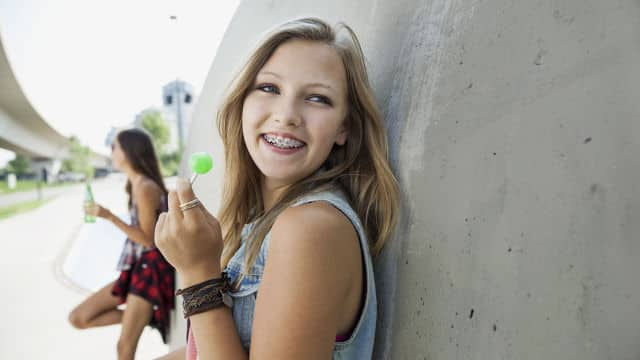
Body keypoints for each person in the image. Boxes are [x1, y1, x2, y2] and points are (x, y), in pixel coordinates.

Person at [155, 17, 399, 359]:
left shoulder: (311, 229)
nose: (286, 115)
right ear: (242, 102)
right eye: (269, 88)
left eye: (317, 98)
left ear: (344, 127)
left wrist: (197, 273)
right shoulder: (264, 222)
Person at [68, 128, 175, 360]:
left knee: (124, 348)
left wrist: (108, 216)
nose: (111, 152)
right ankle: (148, 318)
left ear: (128, 151)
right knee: (79, 317)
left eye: (114, 147)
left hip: (151, 269)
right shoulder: (134, 185)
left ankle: (145, 317)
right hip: (137, 267)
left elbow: (148, 240)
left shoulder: (146, 187)